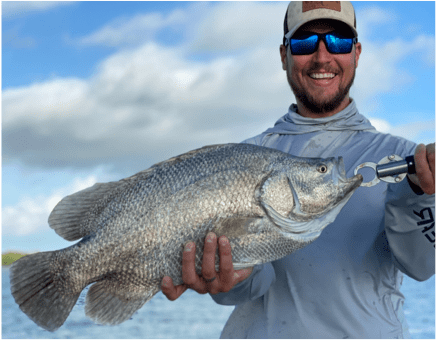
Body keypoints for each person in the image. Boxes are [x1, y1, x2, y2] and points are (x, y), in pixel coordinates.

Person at [161, 1, 435, 338]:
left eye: (338, 42)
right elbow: (249, 286)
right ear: (283, 55)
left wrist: (421, 197)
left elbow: (422, 265)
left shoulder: (409, 160)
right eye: (305, 43)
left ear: (357, 53)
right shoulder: (241, 161)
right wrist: (226, 280)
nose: (322, 57)